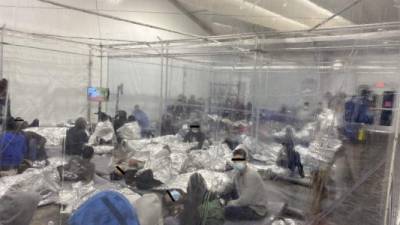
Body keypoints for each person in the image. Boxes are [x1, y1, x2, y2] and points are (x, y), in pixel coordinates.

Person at [224, 145, 269, 221]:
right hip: (249, 203)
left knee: (228, 211)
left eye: (240, 160)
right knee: (227, 195)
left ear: (246, 160)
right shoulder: (238, 174)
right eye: (235, 161)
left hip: (257, 209)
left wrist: (232, 203)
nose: (237, 163)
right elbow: (232, 187)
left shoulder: (250, 175)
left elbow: (246, 199)